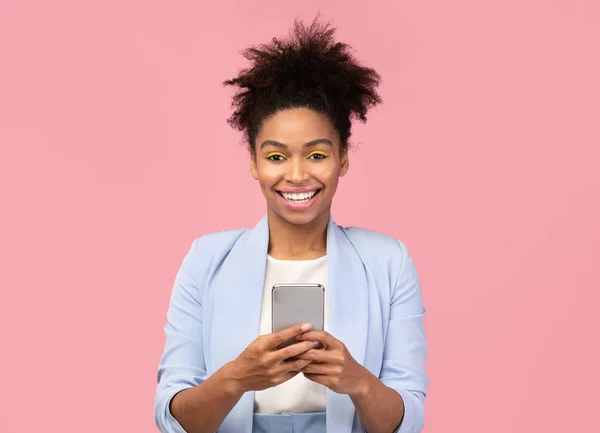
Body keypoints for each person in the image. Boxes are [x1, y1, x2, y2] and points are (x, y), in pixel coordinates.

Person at [154, 17, 429, 433]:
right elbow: (171, 419)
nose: (297, 175)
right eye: (277, 156)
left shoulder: (388, 262)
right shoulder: (206, 260)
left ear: (343, 159)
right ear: (253, 162)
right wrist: (237, 377)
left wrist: (356, 381)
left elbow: (407, 421)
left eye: (317, 155)